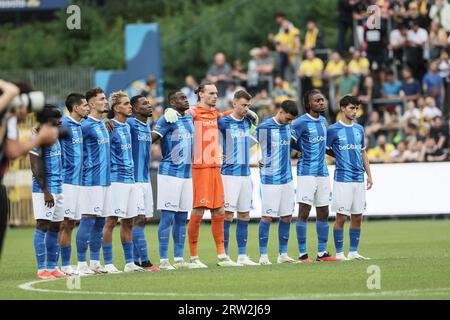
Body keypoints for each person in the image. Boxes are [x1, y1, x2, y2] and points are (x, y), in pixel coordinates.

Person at [163, 81, 249, 267]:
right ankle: (193, 257)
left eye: (216, 93)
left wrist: (246, 112)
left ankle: (222, 256)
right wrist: (167, 112)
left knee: (219, 209)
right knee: (198, 210)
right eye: (211, 93)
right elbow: (179, 115)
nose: (215, 96)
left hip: (215, 167)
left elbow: (225, 116)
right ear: (201, 94)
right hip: (199, 168)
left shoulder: (214, 114)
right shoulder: (193, 112)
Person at [0, 80, 58, 257]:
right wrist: (39, 139)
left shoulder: (8, 121)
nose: (29, 112)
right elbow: (11, 90)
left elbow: (12, 151)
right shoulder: (6, 114)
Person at [291, 90, 340, 263]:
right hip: (306, 172)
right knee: (304, 212)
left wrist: (340, 155)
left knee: (324, 211)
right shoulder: (299, 123)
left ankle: (322, 253)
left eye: (322, 99)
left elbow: (325, 146)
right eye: (317, 100)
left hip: (323, 172)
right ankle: (303, 254)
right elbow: (289, 141)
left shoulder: (324, 121)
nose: (321, 102)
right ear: (308, 104)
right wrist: (296, 151)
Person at [152, 92, 198, 270]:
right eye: (181, 98)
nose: (186, 100)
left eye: (187, 98)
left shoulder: (188, 117)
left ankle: (178, 258)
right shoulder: (167, 119)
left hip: (186, 174)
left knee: (181, 217)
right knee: (168, 216)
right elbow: (152, 139)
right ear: (172, 102)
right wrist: (165, 114)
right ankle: (164, 260)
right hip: (170, 173)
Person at [327, 95, 373, 261]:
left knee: (357, 216)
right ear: (342, 108)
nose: (355, 112)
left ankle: (353, 252)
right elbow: (325, 149)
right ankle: (339, 253)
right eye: (352, 108)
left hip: (358, 179)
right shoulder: (332, 130)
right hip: (342, 179)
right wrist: (338, 155)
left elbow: (363, 152)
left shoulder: (359, 129)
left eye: (356, 108)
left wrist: (369, 175)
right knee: (341, 217)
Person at [102, 91, 144, 273]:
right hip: (116, 180)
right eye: (126, 104)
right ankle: (108, 263)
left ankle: (129, 263)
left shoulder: (128, 126)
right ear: (116, 108)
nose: (130, 106)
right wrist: (103, 120)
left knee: (128, 221)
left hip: (131, 180)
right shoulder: (108, 127)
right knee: (111, 221)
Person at [218, 90, 259, 266]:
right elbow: (207, 133)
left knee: (244, 214)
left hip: (245, 174)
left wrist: (253, 118)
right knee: (227, 215)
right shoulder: (224, 121)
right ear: (234, 103)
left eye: (248, 106)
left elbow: (252, 138)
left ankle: (242, 255)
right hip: (229, 175)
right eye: (243, 105)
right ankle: (224, 255)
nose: (246, 109)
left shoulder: (248, 122)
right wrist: (216, 152)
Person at [256, 100, 298, 265]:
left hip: (287, 178)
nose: (290, 122)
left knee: (286, 216)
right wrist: (256, 159)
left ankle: (283, 254)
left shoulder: (289, 127)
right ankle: (263, 256)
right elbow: (248, 143)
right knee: (267, 216)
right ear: (280, 112)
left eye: (292, 120)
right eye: (288, 118)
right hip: (270, 179)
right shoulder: (265, 127)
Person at [76, 87, 110, 275]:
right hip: (90, 180)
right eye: (102, 99)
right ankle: (81, 264)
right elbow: (67, 133)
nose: (105, 101)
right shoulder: (86, 125)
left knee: (100, 222)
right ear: (91, 104)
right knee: (88, 220)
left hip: (105, 181)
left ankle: (95, 263)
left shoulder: (102, 124)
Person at [29, 105, 66, 279]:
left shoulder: (54, 134)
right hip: (44, 190)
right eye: (57, 118)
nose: (60, 121)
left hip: (58, 187)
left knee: (56, 227)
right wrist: (45, 191)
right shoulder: (36, 136)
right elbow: (35, 166)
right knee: (42, 225)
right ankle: (41, 269)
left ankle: (52, 267)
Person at [58, 94, 90, 275]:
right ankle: (60, 265)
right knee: (64, 223)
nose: (87, 108)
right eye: (85, 105)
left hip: (78, 182)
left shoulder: (79, 126)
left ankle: (66, 265)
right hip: (66, 181)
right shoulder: (64, 124)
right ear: (75, 107)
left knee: (71, 224)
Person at [127, 95, 159, 271]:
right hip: (134, 180)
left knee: (144, 219)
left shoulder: (146, 126)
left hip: (145, 179)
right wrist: (106, 122)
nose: (149, 105)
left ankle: (134, 261)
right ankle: (145, 262)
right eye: (144, 103)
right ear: (134, 109)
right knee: (137, 219)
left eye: (149, 102)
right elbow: (114, 124)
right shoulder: (130, 124)